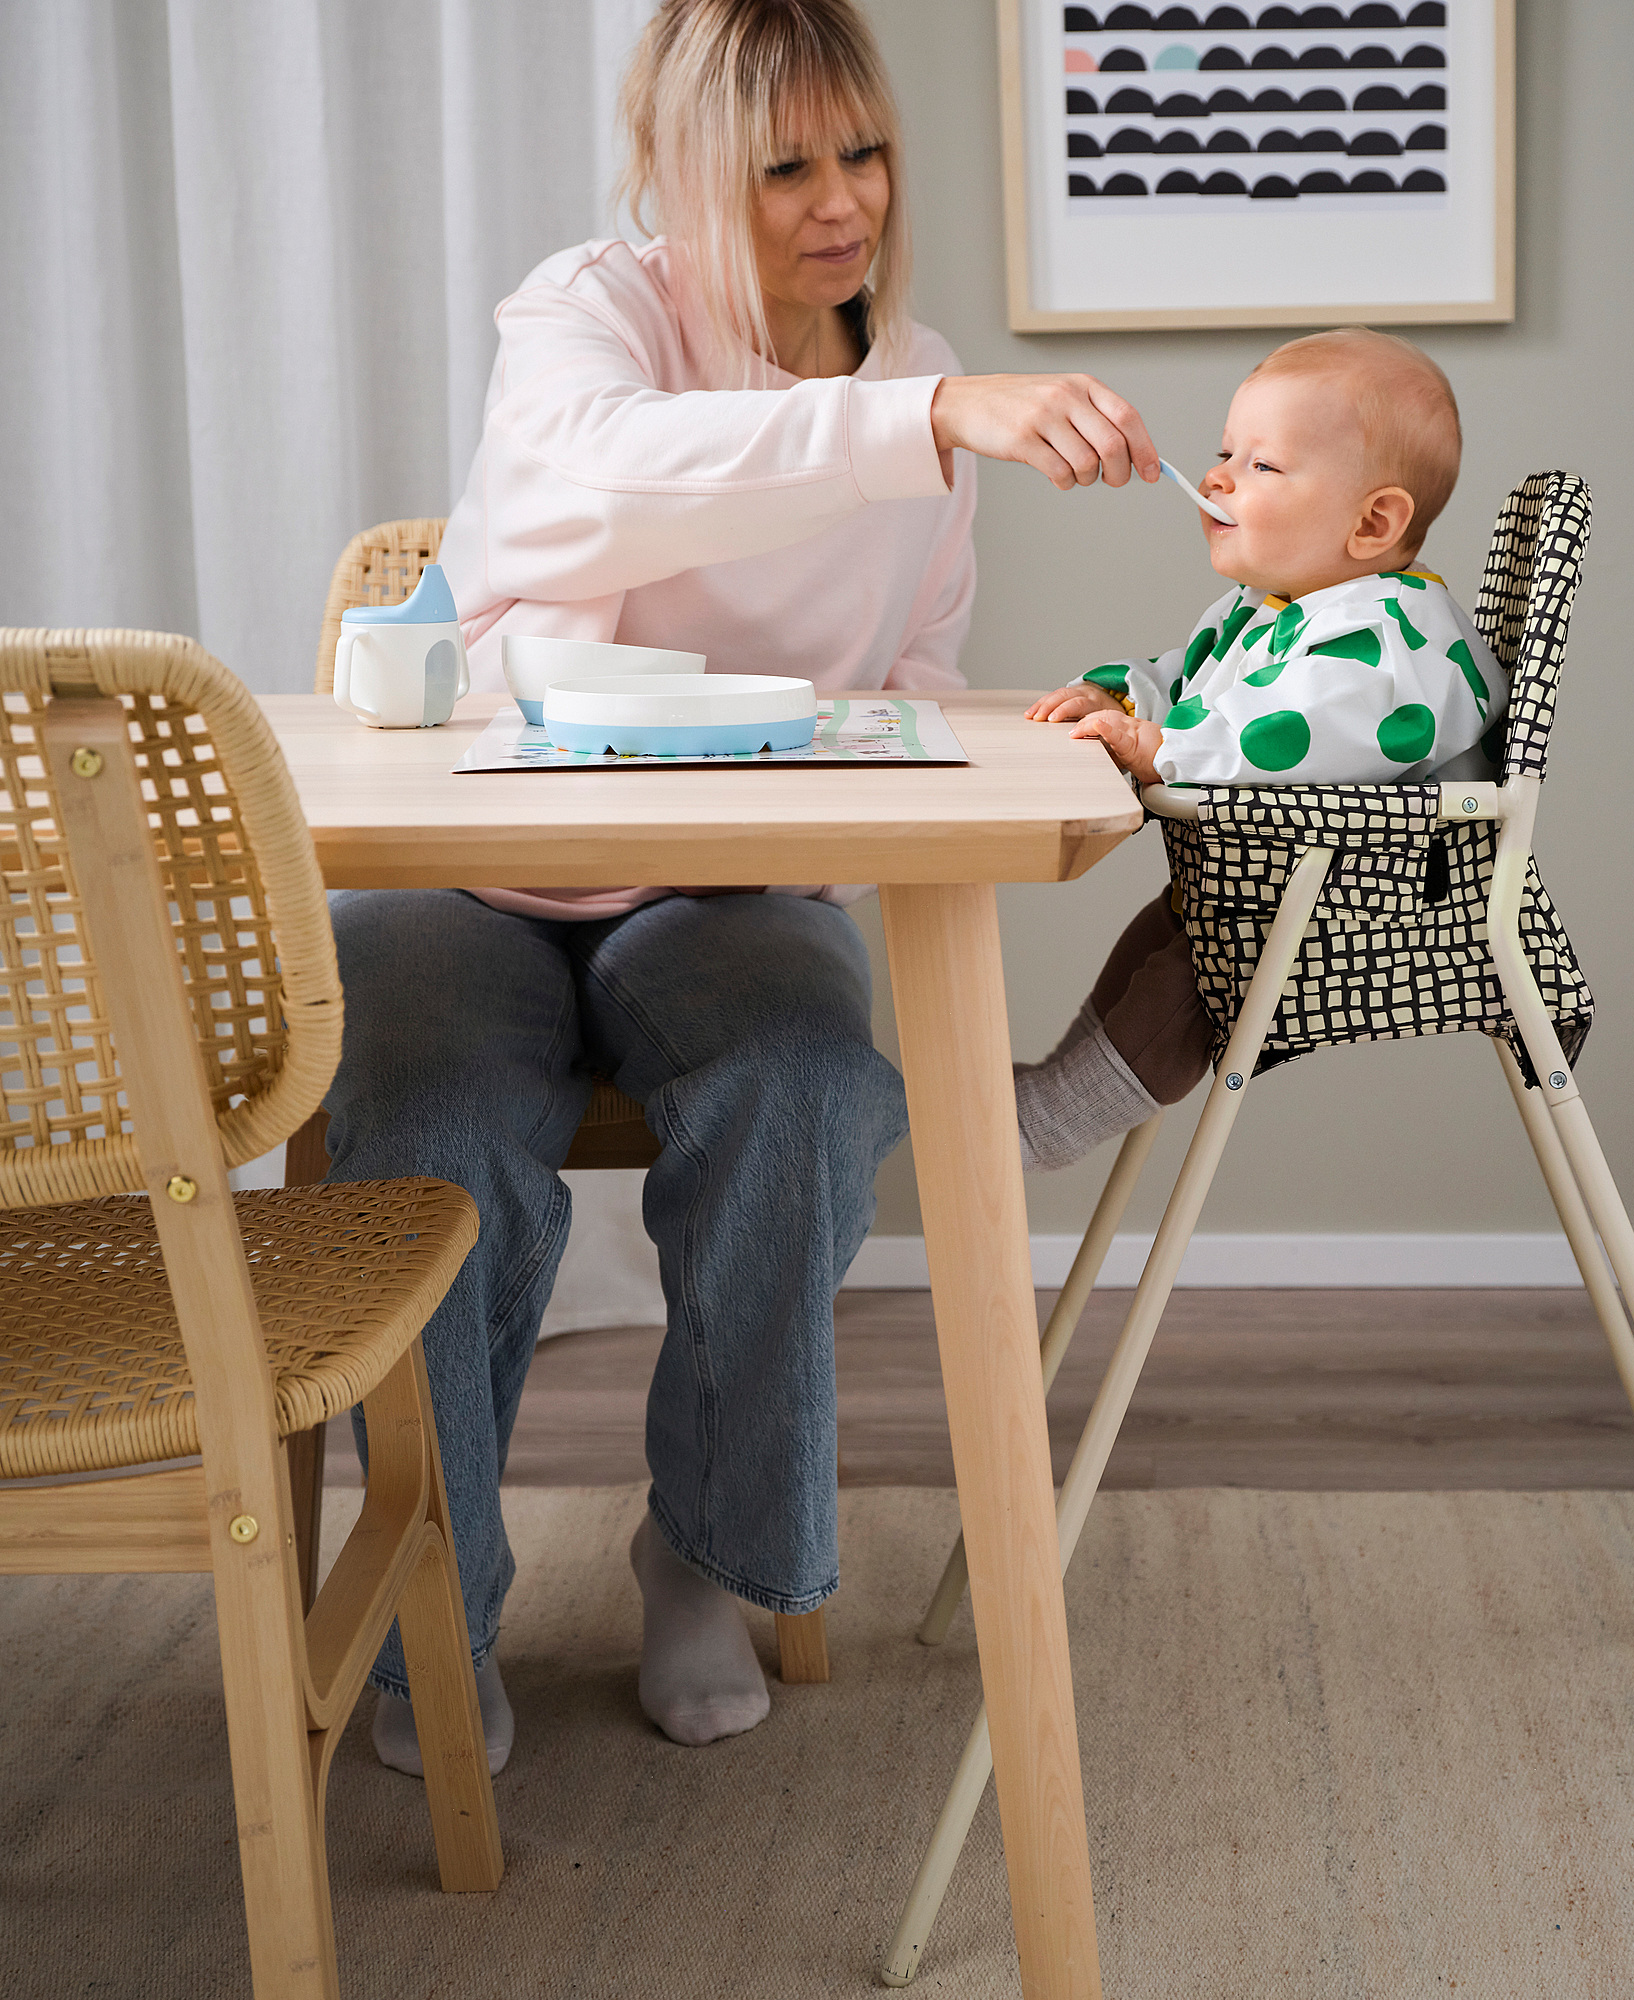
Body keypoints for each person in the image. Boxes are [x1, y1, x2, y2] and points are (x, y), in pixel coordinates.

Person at [327, 0, 1160, 1777]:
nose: (839, 202)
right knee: (420, 1122)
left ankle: (702, 1554)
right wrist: (922, 414)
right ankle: (431, 1592)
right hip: (477, 870)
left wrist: (991, 731)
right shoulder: (588, 315)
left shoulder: (921, 392)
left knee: (803, 1089)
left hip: (734, 885)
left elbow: (921, 677)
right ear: (683, 171)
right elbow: (604, 475)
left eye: (863, 154)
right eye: (785, 165)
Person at [1013, 328, 1506, 1171]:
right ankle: (1059, 1082)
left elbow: (1295, 735)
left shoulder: (1390, 639)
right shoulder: (1272, 608)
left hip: (1371, 897)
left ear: (1374, 520)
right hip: (1269, 878)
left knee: (1194, 979)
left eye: (1261, 466)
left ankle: (1048, 1122)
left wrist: (1165, 748)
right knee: (1165, 929)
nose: (1215, 478)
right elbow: (1194, 679)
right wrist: (1126, 701)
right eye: (1223, 453)